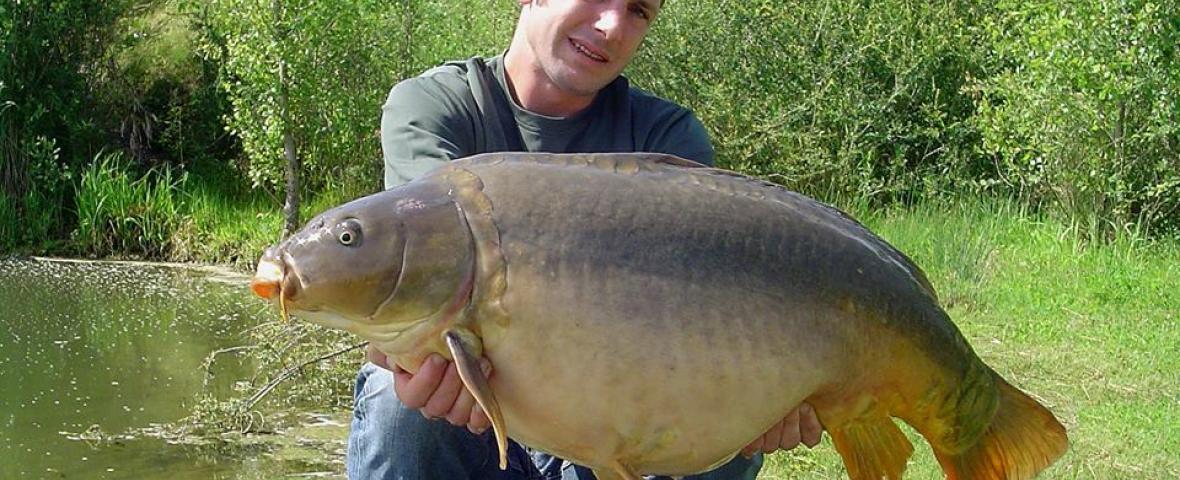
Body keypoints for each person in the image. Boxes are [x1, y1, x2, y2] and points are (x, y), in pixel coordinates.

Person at [347, 1, 823, 478]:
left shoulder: (667, 137)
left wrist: (766, 398)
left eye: (639, 10)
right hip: (476, 407)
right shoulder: (436, 106)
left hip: (609, 411)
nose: (613, 26)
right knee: (399, 396)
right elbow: (420, 277)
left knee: (719, 431)